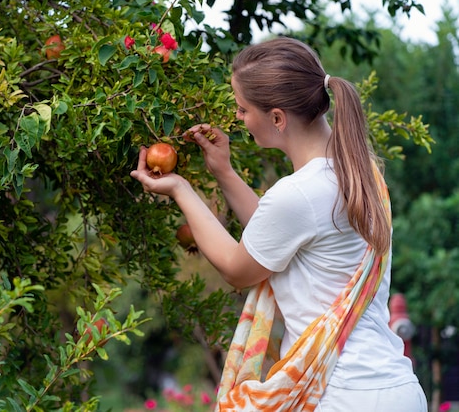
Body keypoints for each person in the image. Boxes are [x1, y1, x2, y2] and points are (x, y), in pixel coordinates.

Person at [130, 36, 427, 411]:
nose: (238, 118)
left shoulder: (300, 193)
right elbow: (273, 241)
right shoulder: (360, 173)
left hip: (344, 393)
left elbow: (240, 269)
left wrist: (180, 189)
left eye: (242, 109)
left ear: (276, 118)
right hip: (395, 387)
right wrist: (224, 172)